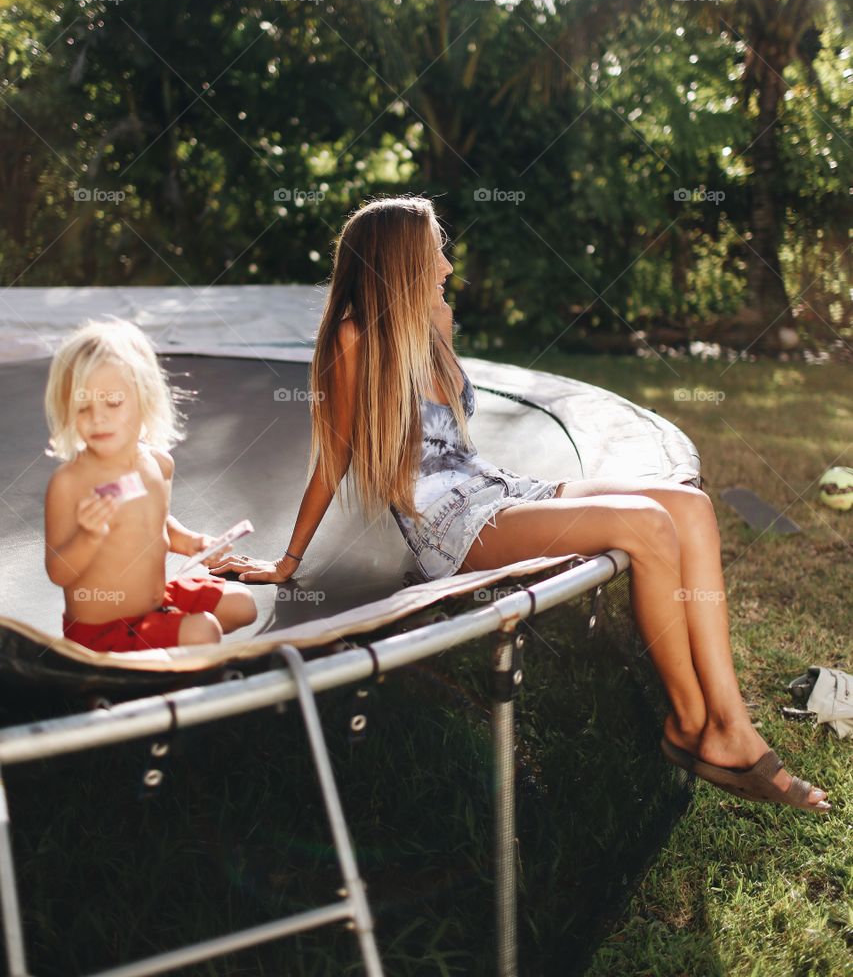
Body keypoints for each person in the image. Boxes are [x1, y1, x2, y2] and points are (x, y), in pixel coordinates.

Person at [207, 195, 830, 812]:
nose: (448, 267)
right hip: (447, 525)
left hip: (497, 489)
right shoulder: (355, 340)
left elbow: (459, 445)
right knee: (647, 524)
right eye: (435, 254)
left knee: (689, 507)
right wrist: (287, 562)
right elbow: (335, 457)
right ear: (399, 263)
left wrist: (438, 332)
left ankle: (732, 722)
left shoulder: (437, 324)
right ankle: (693, 725)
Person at [44, 318, 257, 653]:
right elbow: (58, 571)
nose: (98, 418)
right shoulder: (70, 483)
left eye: (113, 403)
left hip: (154, 603)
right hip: (100, 630)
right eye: (83, 407)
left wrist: (195, 542)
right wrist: (89, 535)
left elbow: (157, 525)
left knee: (243, 604)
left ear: (145, 398)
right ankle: (162, 680)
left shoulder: (157, 464)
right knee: (205, 631)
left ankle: (163, 646)